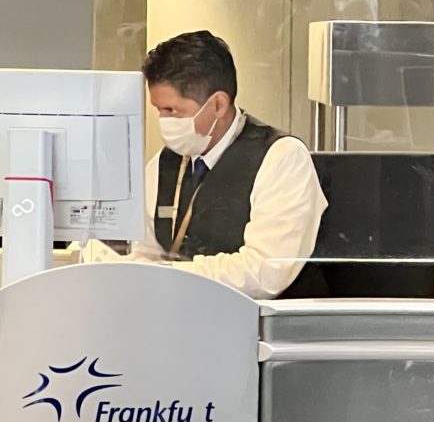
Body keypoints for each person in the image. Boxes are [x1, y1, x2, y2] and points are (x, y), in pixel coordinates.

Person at [91, 31, 328, 300]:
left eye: (173, 111)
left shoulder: (281, 157)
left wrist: (169, 274)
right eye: (159, 110)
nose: (164, 121)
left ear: (217, 104)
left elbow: (264, 272)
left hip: (258, 327)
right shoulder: (165, 162)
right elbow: (146, 251)